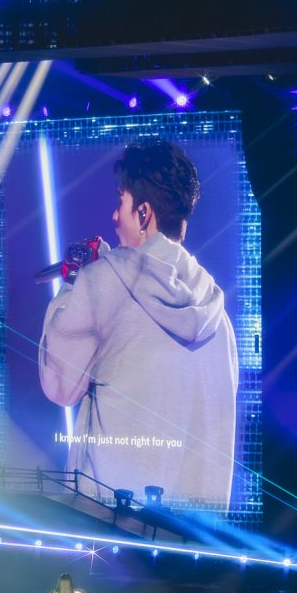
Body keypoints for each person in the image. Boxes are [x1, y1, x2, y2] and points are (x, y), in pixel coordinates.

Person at [37, 139, 239, 511]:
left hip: (108, 527)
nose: (114, 217)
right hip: (191, 536)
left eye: (121, 203)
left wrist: (74, 281)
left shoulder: (102, 281)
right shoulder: (219, 319)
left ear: (143, 213)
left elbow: (59, 385)